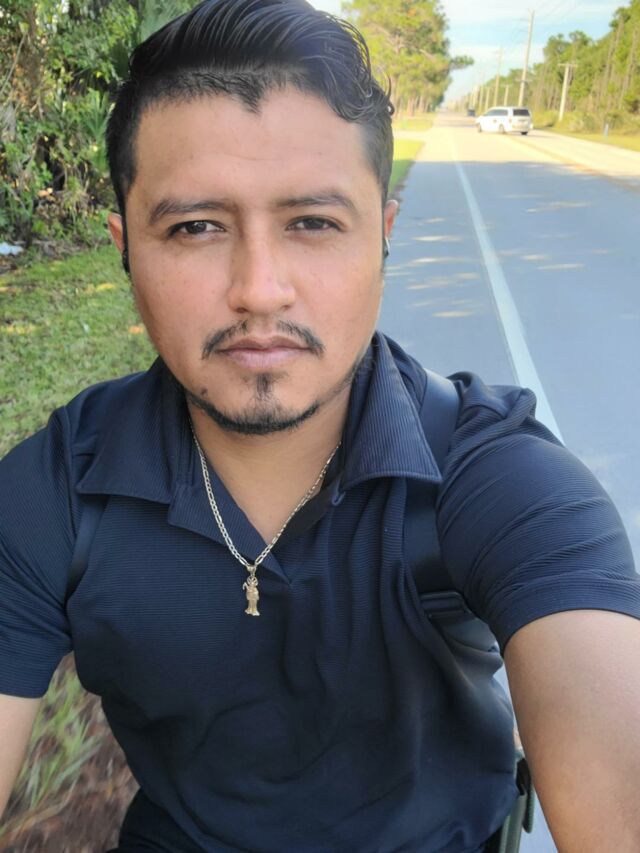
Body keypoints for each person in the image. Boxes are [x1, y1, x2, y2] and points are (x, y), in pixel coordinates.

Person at [1, 1, 639, 850]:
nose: (259, 289)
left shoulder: (499, 480)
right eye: (195, 227)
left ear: (383, 236)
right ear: (124, 247)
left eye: (313, 223)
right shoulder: (55, 491)